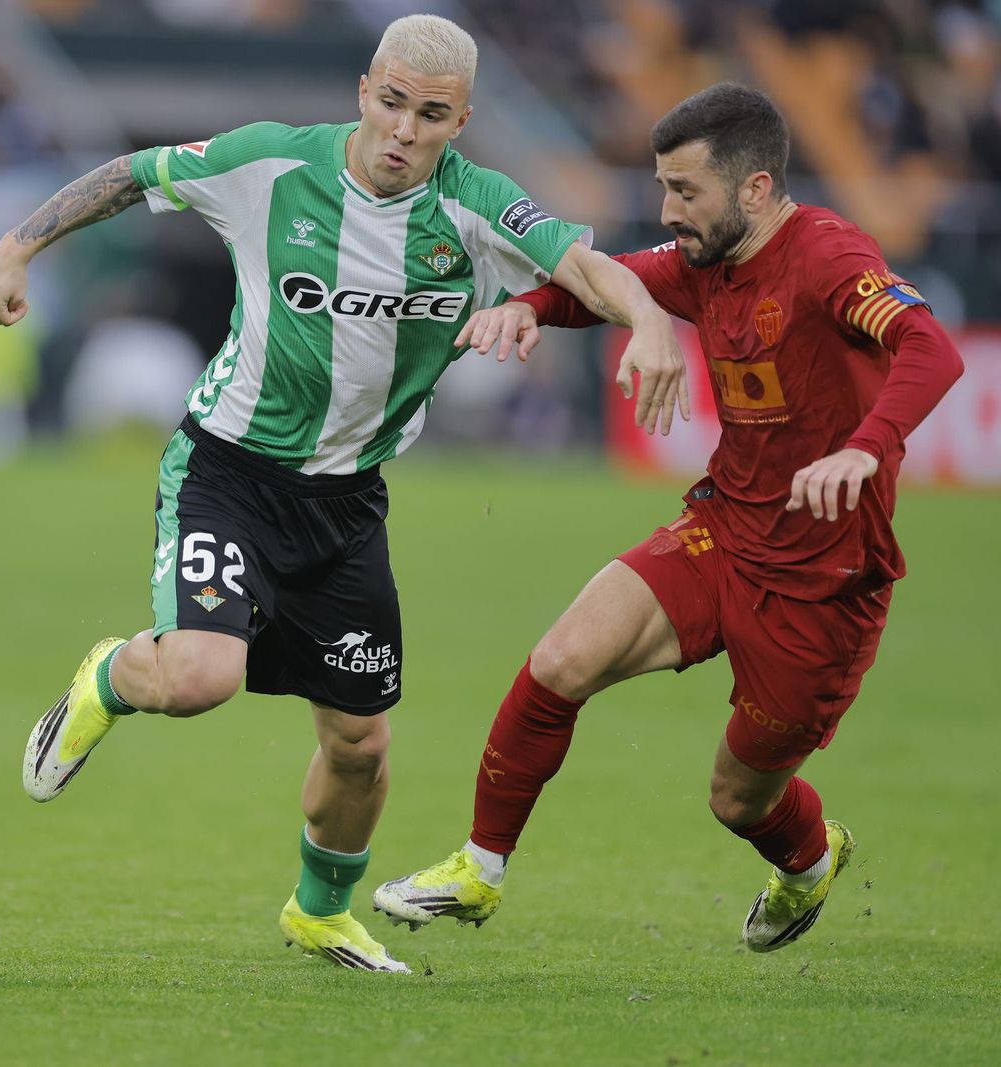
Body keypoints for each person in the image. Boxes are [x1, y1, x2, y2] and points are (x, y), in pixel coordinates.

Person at [0, 14, 687, 973]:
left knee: (360, 743)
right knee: (199, 678)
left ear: (461, 121)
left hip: (349, 504)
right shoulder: (270, 165)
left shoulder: (478, 206)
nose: (404, 130)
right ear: (363, 91)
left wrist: (646, 321)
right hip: (227, 471)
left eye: (430, 115)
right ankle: (110, 673)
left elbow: (591, 269)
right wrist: (16, 246)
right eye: (391, 103)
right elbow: (134, 174)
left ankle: (319, 912)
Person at [373, 83, 965, 953]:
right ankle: (478, 867)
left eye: (686, 192)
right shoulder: (703, 261)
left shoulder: (829, 257)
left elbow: (931, 347)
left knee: (738, 798)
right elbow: (605, 286)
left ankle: (810, 858)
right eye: (664, 188)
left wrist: (866, 447)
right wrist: (525, 307)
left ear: (755, 189)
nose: (667, 210)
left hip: (823, 581)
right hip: (722, 530)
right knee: (562, 658)